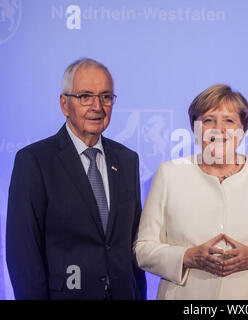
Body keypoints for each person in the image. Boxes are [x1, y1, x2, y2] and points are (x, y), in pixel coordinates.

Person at [134, 84, 248, 299]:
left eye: (229, 120)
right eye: (208, 120)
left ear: (243, 129)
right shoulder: (169, 173)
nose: (218, 129)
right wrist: (187, 257)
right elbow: (144, 249)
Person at [6, 58, 147, 300]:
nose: (97, 106)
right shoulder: (34, 161)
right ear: (64, 104)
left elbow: (133, 245)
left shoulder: (127, 160)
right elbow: (23, 254)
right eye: (85, 96)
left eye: (106, 96)